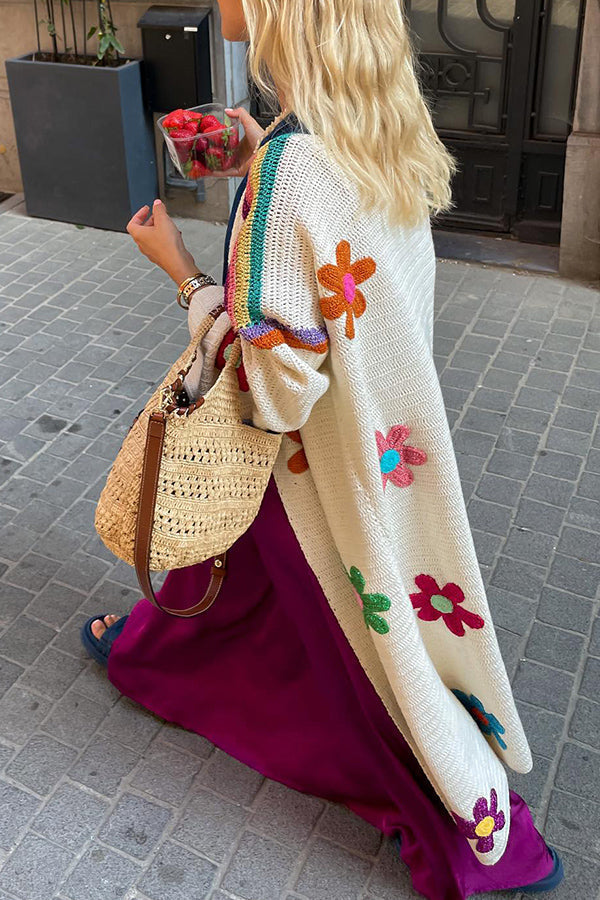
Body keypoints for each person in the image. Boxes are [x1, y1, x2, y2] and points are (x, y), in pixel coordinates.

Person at [81, 1, 564, 897]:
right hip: (384, 443)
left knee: (366, 651)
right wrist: (263, 147)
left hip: (314, 469)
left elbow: (272, 382)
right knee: (244, 569)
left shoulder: (290, 171)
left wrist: (180, 267)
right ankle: (152, 652)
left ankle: (474, 833)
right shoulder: (380, 122)